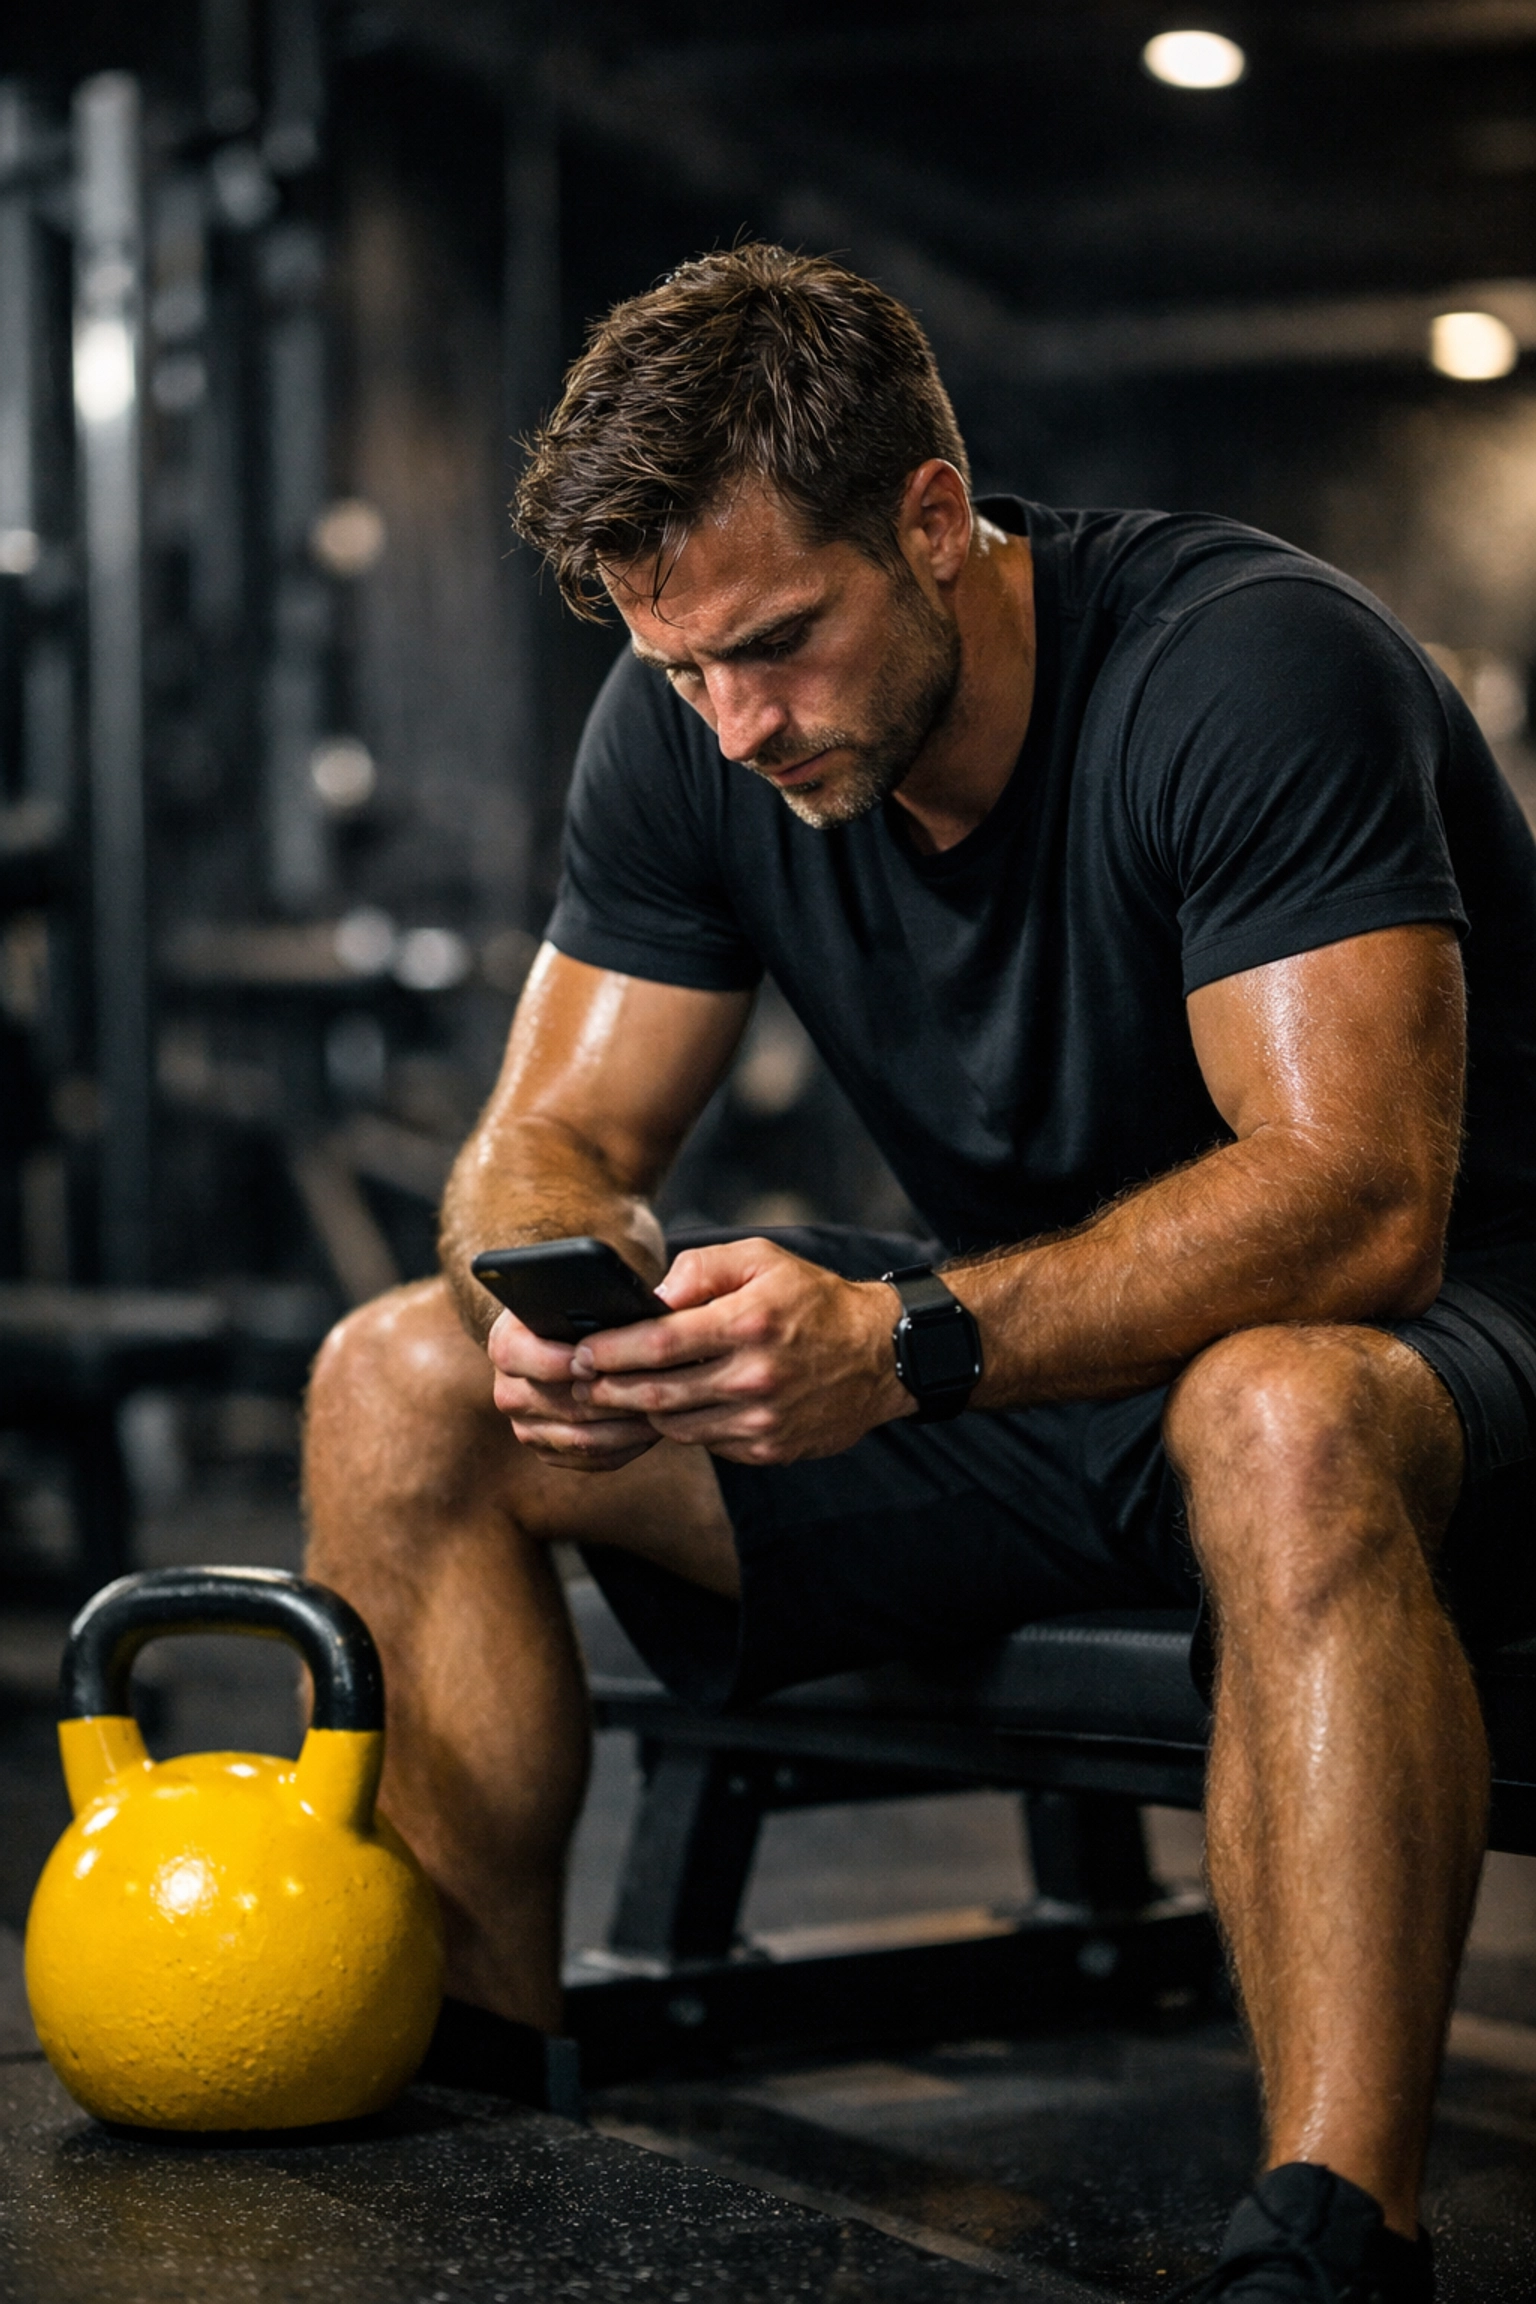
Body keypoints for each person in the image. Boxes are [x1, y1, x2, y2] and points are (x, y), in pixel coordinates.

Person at [303, 244, 1536, 2300]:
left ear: (938, 521)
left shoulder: (1245, 667)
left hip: (1437, 1350)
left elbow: (1356, 1202)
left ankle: (1332, 2239)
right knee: (394, 1375)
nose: (734, 723)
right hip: (1024, 1367)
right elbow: (554, 1142)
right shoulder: (690, 720)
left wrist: (905, 1338)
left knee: (1281, 1404)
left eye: (775, 646)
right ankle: (475, 2116)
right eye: (681, 667)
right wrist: (564, 1297)